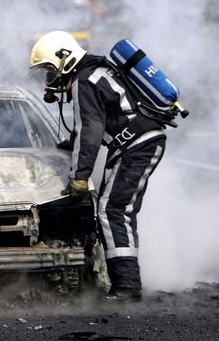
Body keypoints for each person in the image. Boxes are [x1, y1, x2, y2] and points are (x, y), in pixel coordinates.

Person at [29, 31, 166, 301]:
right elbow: (95, 123)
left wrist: (80, 176)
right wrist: (72, 143)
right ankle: (125, 284)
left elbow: (91, 127)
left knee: (113, 210)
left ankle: (127, 287)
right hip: (138, 141)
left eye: (49, 69)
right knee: (112, 208)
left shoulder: (83, 81)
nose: (49, 78)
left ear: (64, 60)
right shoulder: (94, 70)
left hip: (137, 144)